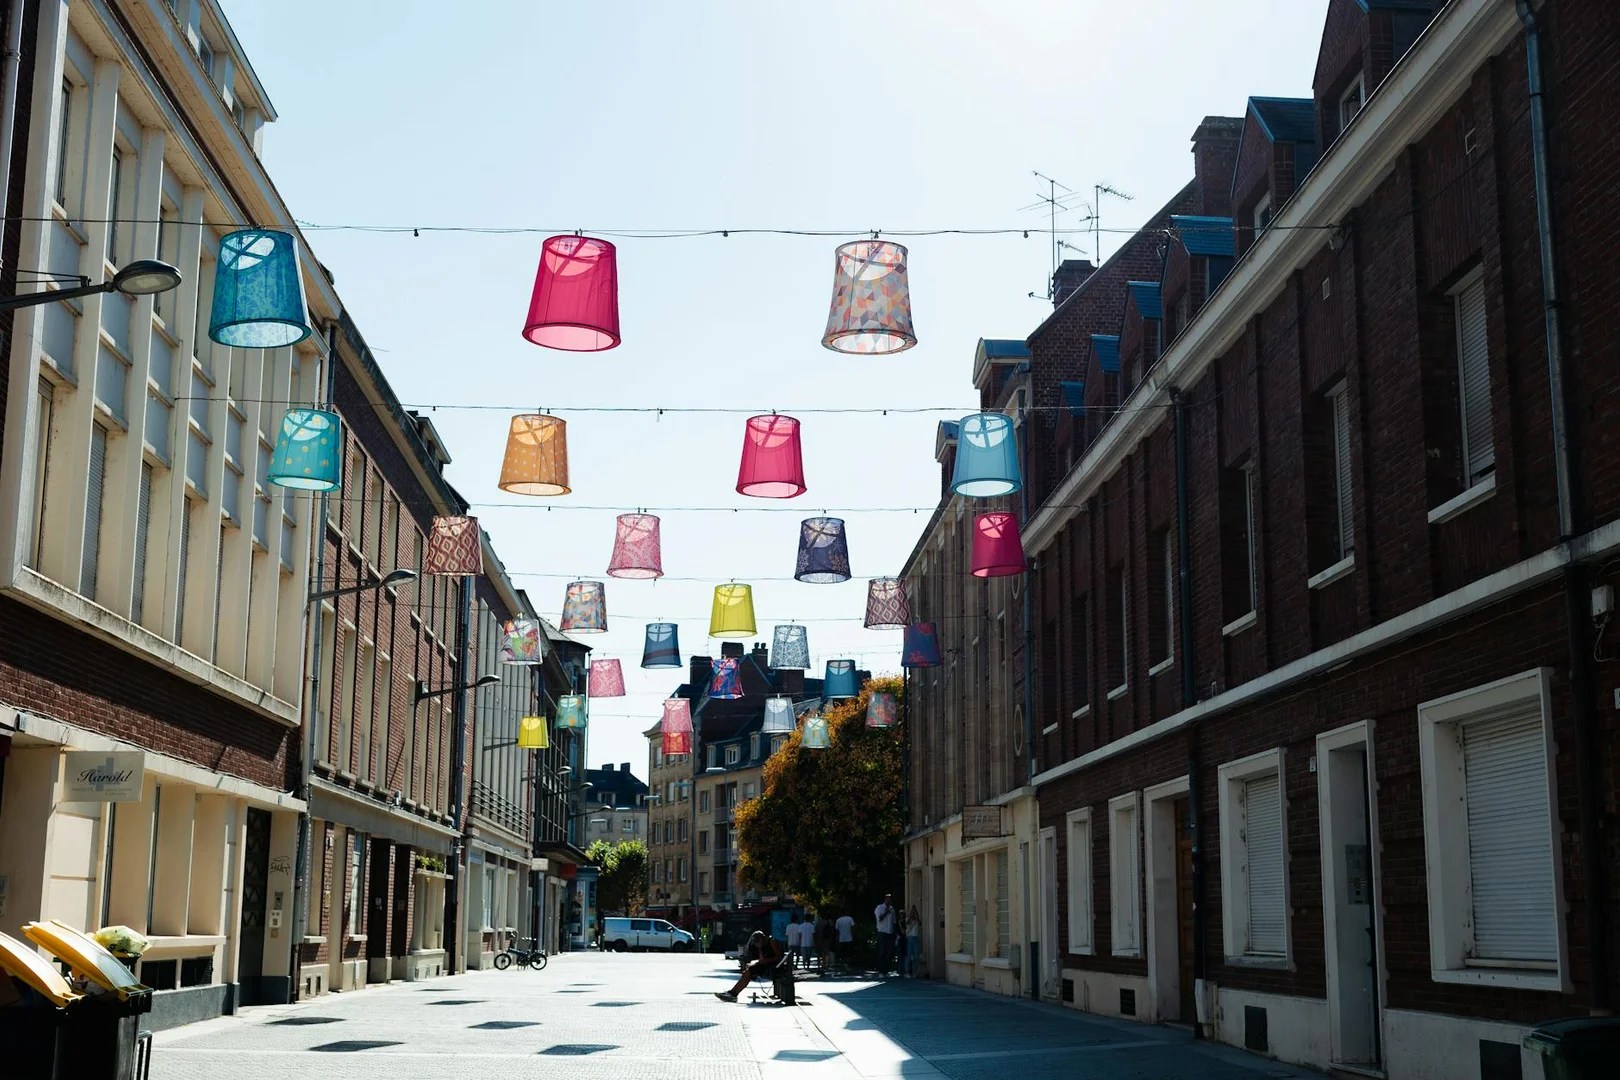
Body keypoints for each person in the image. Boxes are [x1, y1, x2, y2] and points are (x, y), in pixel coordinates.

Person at [715, 930, 785, 1002]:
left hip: (774, 966)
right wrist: (759, 951)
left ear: (762, 939)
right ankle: (732, 993)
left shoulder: (772, 942)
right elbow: (761, 960)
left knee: (747, 973)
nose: (756, 944)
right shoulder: (760, 946)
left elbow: (779, 957)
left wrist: (766, 960)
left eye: (757, 942)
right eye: (755, 943)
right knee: (747, 972)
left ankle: (733, 994)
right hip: (766, 965)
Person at [874, 894, 897, 974]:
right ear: (884, 900)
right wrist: (886, 912)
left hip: (889, 932)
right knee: (882, 951)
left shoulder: (892, 909)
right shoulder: (879, 908)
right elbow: (879, 919)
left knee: (888, 951)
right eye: (887, 899)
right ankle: (880, 970)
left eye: (890, 899)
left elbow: (894, 922)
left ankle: (886, 970)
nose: (889, 901)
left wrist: (895, 933)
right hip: (882, 931)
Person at [905, 906, 922, 977]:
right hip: (910, 938)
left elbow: (920, 923)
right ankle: (907, 972)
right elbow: (908, 923)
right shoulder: (908, 920)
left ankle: (915, 971)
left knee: (916, 956)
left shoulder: (918, 920)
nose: (914, 913)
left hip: (916, 938)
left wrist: (917, 915)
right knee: (908, 955)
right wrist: (912, 914)